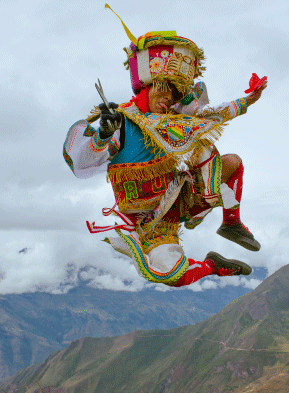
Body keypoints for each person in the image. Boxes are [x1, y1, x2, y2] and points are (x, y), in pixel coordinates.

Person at [63, 26, 267, 287]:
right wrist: (102, 135)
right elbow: (83, 161)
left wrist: (248, 100)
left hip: (179, 196)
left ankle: (232, 222)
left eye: (175, 93)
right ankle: (213, 265)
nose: (169, 98)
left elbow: (212, 114)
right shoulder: (121, 121)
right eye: (164, 88)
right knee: (173, 276)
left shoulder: (173, 119)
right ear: (148, 85)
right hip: (149, 222)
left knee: (231, 162)